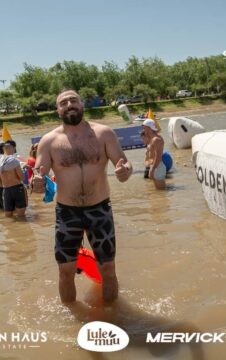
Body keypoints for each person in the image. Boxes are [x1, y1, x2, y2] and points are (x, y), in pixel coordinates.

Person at [35, 89, 132, 303]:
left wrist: (125, 169)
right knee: (65, 271)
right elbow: (38, 176)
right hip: (67, 213)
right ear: (57, 109)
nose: (69, 104)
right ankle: (72, 319)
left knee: (107, 267)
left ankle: (112, 317)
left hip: (100, 209)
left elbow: (123, 164)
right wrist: (37, 183)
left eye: (73, 100)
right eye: (64, 102)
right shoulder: (49, 141)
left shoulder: (104, 133)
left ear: (82, 105)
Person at [0, 140, 27, 217]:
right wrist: (22, 169)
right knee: (21, 216)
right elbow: (22, 177)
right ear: (11, 149)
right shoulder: (14, 161)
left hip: (6, 190)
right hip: (17, 188)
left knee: (8, 216)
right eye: (14, 149)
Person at [141, 119, 166, 190]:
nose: (143, 129)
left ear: (149, 128)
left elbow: (158, 156)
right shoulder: (152, 139)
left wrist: (152, 169)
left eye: (144, 127)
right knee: (159, 192)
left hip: (158, 167)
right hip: (155, 166)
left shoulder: (156, 139)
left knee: (162, 192)